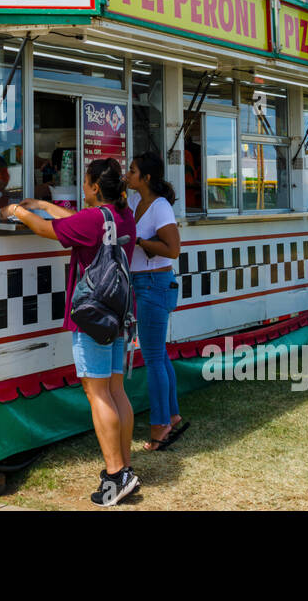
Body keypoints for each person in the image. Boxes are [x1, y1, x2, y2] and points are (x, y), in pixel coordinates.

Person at [1, 159, 139, 506]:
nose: (83, 186)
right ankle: (126, 468)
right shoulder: (123, 216)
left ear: (94, 187)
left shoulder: (94, 220)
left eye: (86, 182)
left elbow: (49, 231)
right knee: (116, 389)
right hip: (120, 313)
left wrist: (18, 209)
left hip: (92, 316)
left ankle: (114, 475)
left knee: (98, 394)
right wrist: (45, 206)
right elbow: (78, 222)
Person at [125, 152, 186, 451]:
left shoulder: (159, 207)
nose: (128, 173)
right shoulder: (136, 202)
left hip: (153, 284)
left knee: (152, 358)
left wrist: (139, 242)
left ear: (146, 178)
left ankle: (160, 425)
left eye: (132, 170)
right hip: (145, 283)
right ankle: (171, 415)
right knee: (158, 355)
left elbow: (173, 249)